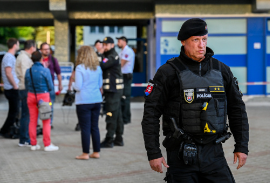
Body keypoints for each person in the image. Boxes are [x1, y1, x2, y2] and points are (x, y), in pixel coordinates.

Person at [141, 18, 249, 183]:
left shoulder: (221, 70)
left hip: (214, 152)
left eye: (204, 39)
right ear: (183, 42)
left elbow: (237, 109)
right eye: (196, 40)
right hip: (180, 154)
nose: (201, 45)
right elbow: (151, 114)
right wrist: (153, 153)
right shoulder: (167, 72)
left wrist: (241, 146)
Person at [25, 51, 59, 151]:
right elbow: (50, 87)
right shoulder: (46, 71)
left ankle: (33, 144)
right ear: (41, 59)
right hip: (43, 97)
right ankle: (47, 145)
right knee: (46, 120)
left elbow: (26, 84)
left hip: (31, 96)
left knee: (32, 120)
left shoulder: (28, 71)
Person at [73, 46, 103, 160]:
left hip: (83, 101)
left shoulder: (80, 68)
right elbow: (100, 85)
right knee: (94, 127)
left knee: (85, 127)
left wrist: (72, 85)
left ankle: (85, 153)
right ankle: (96, 152)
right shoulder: (98, 68)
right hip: (96, 100)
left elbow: (78, 87)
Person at [100, 37, 124, 148]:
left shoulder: (112, 56)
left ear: (112, 45)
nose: (104, 46)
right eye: (103, 44)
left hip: (113, 90)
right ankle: (119, 138)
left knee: (110, 114)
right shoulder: (109, 56)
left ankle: (109, 139)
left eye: (106, 44)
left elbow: (103, 65)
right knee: (117, 114)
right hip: (113, 90)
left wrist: (99, 55)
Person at [15, 40, 36, 146]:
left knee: (26, 114)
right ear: (32, 47)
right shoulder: (24, 58)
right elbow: (25, 75)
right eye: (35, 48)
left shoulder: (25, 57)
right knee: (26, 115)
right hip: (25, 89)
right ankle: (24, 139)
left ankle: (24, 138)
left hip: (24, 88)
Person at [0, 38, 20, 139]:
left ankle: (7, 129)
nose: (19, 45)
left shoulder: (10, 56)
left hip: (12, 88)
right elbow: (8, 73)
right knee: (14, 111)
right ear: (15, 45)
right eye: (18, 44)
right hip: (12, 89)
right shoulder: (9, 57)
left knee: (14, 111)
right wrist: (15, 85)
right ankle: (4, 130)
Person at [40, 42, 62, 128]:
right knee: (40, 105)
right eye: (45, 49)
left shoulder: (53, 60)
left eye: (48, 49)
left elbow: (58, 72)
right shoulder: (38, 60)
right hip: (40, 87)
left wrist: (60, 84)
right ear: (41, 50)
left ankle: (49, 123)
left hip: (50, 87)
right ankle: (39, 124)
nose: (46, 51)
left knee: (50, 105)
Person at [116, 36, 135, 124]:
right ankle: (124, 117)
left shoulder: (128, 51)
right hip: (122, 76)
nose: (117, 43)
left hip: (126, 76)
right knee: (123, 97)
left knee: (126, 97)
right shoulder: (122, 52)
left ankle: (126, 118)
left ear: (124, 41)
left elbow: (121, 64)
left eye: (119, 41)